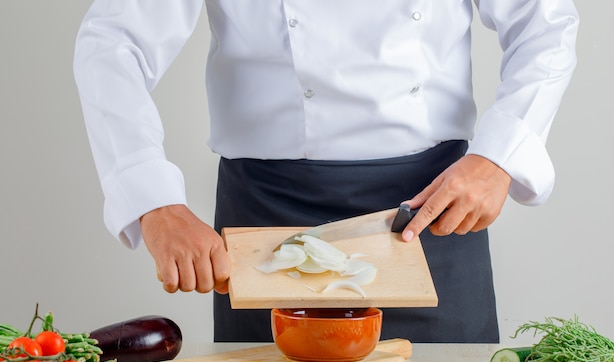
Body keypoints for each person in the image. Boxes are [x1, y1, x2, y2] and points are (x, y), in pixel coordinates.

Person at [73, 1, 579, 343]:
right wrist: (151, 200)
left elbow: (546, 20)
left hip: (426, 215)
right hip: (266, 213)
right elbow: (113, 41)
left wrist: (498, 158)